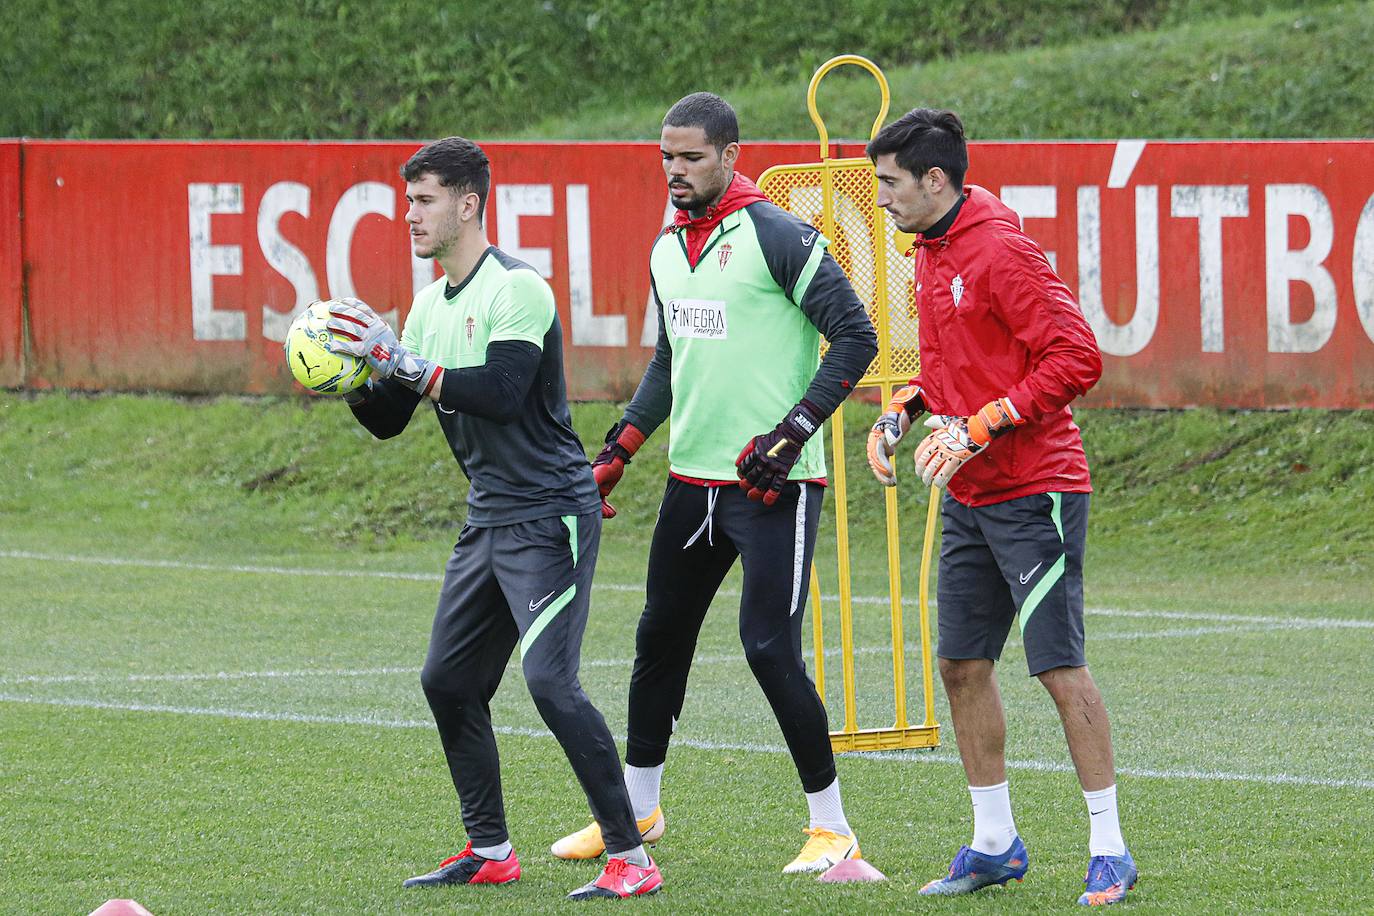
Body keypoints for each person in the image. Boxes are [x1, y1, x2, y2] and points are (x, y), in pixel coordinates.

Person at [323, 136, 661, 901]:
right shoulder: (428, 304)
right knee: (447, 681)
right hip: (490, 519)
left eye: (424, 200)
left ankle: (631, 858)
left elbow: (503, 391)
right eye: (408, 200)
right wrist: (349, 372)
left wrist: (404, 362)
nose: (409, 215)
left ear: (468, 204)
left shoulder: (519, 289)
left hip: (551, 514)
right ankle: (490, 849)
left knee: (550, 684)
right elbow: (389, 420)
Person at [550, 92, 879, 875]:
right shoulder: (668, 243)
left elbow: (855, 336)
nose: (677, 171)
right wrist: (622, 447)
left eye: (692, 157)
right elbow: (671, 361)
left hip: (776, 485)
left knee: (768, 647)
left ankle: (833, 832)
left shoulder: (778, 233)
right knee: (658, 641)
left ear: (730, 156)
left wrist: (792, 430)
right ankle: (636, 813)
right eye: (667, 157)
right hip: (690, 483)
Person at [863, 108, 1134, 906]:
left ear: (935, 180)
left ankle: (1110, 849)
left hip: (1036, 491)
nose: (880, 199)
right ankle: (994, 844)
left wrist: (988, 421)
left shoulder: (998, 246)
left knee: (1058, 669)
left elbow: (1077, 356)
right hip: (971, 494)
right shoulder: (932, 246)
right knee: (960, 666)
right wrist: (902, 410)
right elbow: (961, 367)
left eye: (889, 183)